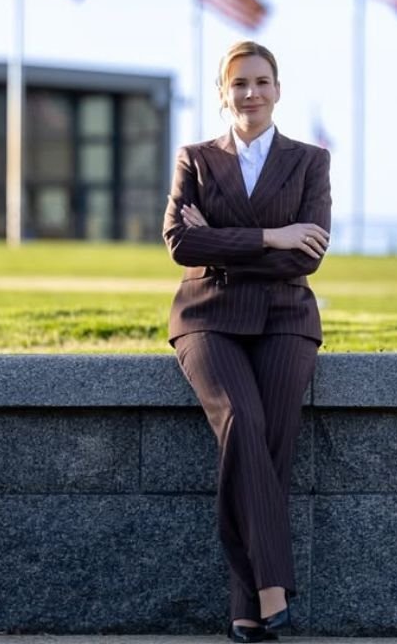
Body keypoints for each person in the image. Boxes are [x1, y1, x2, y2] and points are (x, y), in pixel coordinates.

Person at [162, 40, 331, 643]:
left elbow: (306, 260)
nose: (251, 93)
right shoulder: (196, 159)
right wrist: (272, 236)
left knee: (273, 445)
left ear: (279, 89)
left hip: (286, 318)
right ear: (222, 93)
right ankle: (270, 591)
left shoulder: (311, 161)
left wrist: (227, 242)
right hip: (208, 316)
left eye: (262, 82)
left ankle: (245, 603)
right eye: (239, 84)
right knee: (239, 420)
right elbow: (181, 244)